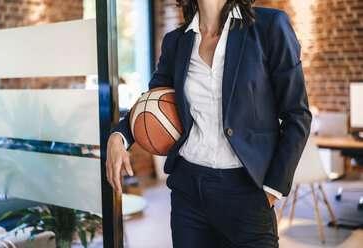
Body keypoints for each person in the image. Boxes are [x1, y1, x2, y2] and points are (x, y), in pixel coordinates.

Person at [106, 0, 312, 247]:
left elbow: (297, 114)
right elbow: (151, 102)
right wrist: (119, 135)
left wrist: (271, 190)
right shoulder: (176, 41)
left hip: (247, 192)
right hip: (188, 192)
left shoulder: (268, 26)